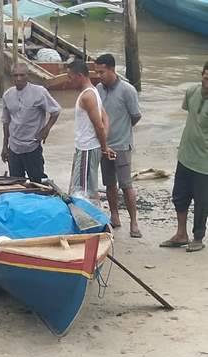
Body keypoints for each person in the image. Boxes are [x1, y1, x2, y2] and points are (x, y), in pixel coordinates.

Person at [160, 61, 208, 252]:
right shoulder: (191, 92)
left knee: (202, 201)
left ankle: (198, 237)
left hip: (204, 163)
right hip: (185, 155)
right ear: (201, 76)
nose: (207, 84)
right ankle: (181, 233)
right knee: (179, 196)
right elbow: (190, 115)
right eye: (205, 79)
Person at [95, 54, 142, 237]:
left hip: (122, 146)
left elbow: (136, 116)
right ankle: (114, 216)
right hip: (104, 145)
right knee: (109, 184)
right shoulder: (98, 89)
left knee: (126, 184)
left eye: (102, 72)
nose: (99, 75)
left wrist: (123, 130)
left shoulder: (127, 90)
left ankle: (134, 222)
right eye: (97, 72)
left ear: (112, 70)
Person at [1, 63, 61, 182]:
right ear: (12, 76)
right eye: (15, 75)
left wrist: (46, 129)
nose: (18, 78)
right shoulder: (7, 95)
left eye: (22, 75)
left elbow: (56, 111)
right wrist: (4, 146)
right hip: (14, 147)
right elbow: (6, 122)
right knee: (17, 183)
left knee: (37, 182)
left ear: (27, 76)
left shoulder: (39, 92)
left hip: (32, 146)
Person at [67, 60, 115, 205]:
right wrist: (102, 145)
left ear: (80, 76)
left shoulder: (87, 96)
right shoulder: (94, 91)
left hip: (86, 149)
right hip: (89, 147)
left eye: (70, 77)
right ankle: (95, 219)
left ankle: (90, 221)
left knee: (81, 191)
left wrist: (104, 146)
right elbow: (105, 118)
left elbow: (99, 125)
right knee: (89, 188)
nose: (69, 81)